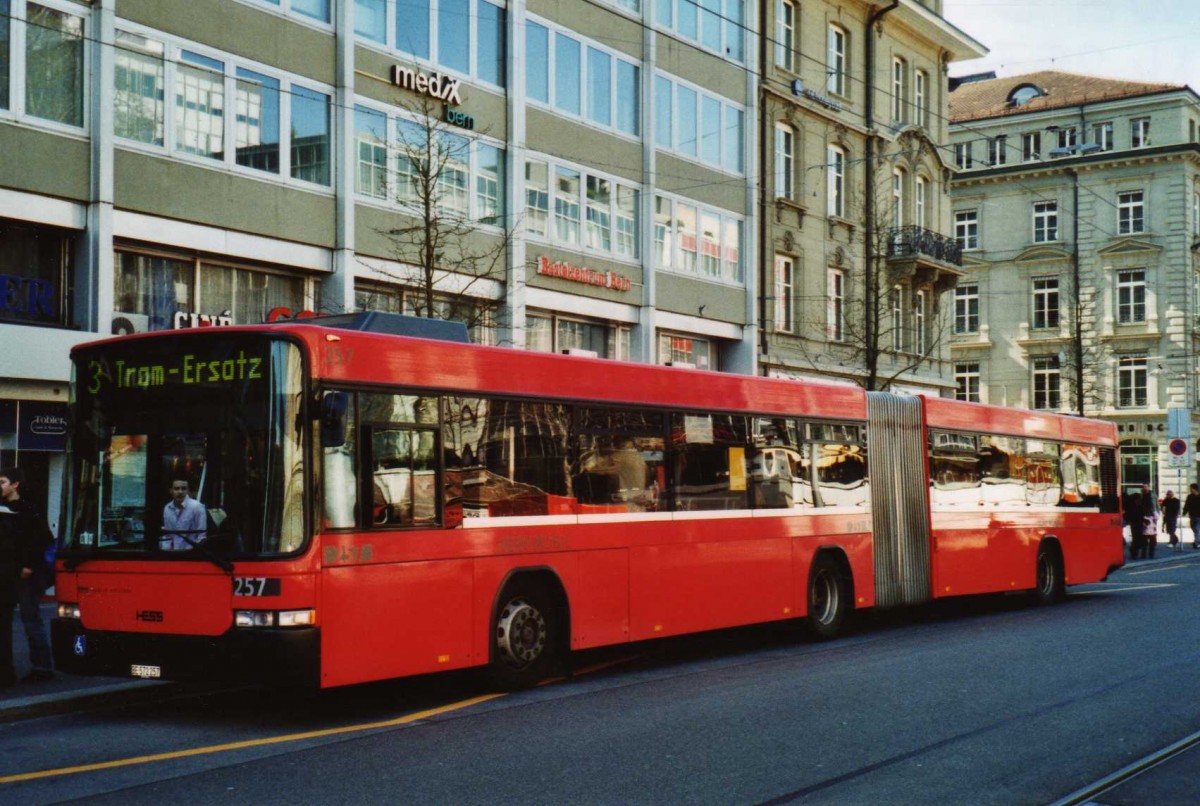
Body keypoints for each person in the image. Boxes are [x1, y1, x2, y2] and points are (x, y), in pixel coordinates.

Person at [0, 467, 53, 684]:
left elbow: (42, 539)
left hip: (24, 573)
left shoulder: (29, 509)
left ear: (15, 485)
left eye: (2, 481)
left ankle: (42, 667)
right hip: (5, 571)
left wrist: (29, 565)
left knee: (30, 618)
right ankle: (6, 671)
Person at [162, 479, 206, 551]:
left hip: (190, 554)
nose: (180, 492)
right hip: (172, 554)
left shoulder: (197, 507)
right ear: (171, 491)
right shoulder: (167, 508)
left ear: (187, 491)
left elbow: (201, 536)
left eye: (183, 488)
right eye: (176, 489)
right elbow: (168, 535)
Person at [1124, 492, 1145, 561]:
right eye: (1138, 499)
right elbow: (1129, 515)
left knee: (1138, 539)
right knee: (1136, 539)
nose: (1139, 500)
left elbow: (1142, 514)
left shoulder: (1140, 506)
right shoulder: (1132, 507)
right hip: (1134, 523)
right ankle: (1134, 553)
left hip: (1139, 523)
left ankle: (1134, 552)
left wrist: (1144, 520)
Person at [1184, 484, 1200, 549]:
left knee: (1196, 529)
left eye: (1191, 488)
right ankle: (1197, 541)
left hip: (1199, 516)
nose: (1190, 490)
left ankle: (1197, 542)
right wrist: (1184, 512)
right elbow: (1187, 505)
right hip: (1192, 515)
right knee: (1194, 528)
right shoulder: (1190, 497)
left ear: (1194, 489)